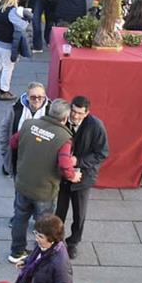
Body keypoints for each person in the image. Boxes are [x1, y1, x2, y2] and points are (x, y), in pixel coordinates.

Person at [8, 99, 80, 264]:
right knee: (44, 225)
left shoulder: (28, 125)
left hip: (23, 183)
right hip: (44, 190)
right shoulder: (64, 138)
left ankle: (16, 252)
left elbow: (13, 142)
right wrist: (73, 176)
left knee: (20, 218)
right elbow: (64, 165)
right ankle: (41, 254)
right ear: (65, 118)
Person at [55, 96, 108, 259]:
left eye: (79, 113)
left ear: (87, 113)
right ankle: (56, 240)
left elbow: (102, 153)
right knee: (59, 211)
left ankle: (73, 242)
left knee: (79, 214)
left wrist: (78, 161)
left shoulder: (96, 126)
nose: (75, 115)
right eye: (73, 111)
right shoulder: (62, 120)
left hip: (83, 178)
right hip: (62, 176)